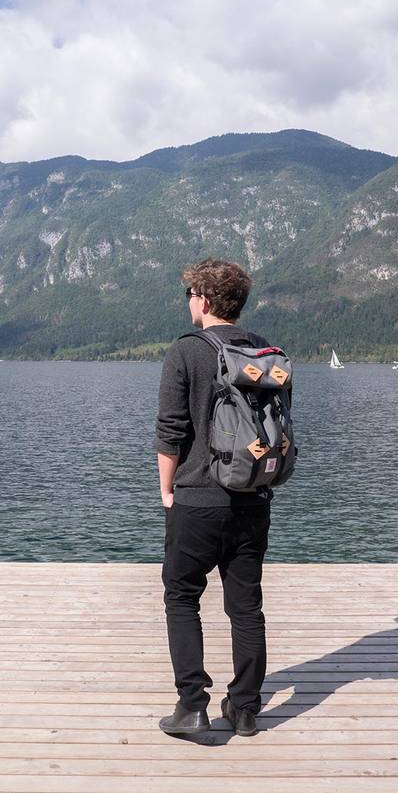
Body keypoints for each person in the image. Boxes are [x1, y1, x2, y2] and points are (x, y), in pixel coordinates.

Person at [154, 258, 272, 738]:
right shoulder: (264, 352)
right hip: (253, 496)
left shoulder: (187, 351)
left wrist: (166, 489)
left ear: (202, 299)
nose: (188, 303)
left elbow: (171, 430)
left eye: (189, 295)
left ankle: (192, 706)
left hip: (198, 498)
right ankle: (244, 709)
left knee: (182, 595)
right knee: (245, 605)